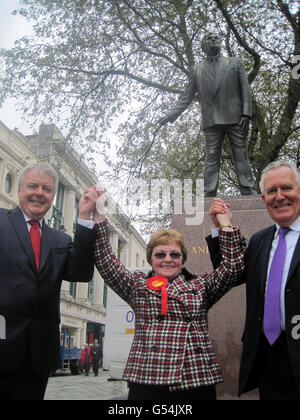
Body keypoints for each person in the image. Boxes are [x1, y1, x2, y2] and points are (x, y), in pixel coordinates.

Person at [92, 188, 245, 400]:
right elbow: (106, 262)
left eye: (175, 254)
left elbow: (233, 268)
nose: (168, 259)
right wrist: (99, 217)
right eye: (160, 254)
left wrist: (224, 225)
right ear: (150, 259)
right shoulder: (137, 286)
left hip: (194, 379)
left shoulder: (201, 285)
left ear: (182, 259)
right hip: (148, 379)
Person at [0, 163, 98, 400]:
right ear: (20, 189)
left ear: (53, 196)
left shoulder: (60, 240)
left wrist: (84, 218)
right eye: (33, 186)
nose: (39, 193)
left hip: (38, 357)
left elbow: (82, 273)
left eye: (47, 189)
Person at [206, 160, 300, 400]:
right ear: (263, 199)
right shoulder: (260, 241)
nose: (279, 197)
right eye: (271, 191)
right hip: (266, 356)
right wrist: (222, 227)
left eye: (286, 188)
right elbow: (230, 274)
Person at [157, 32, 256, 197]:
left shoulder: (235, 62)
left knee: (241, 155)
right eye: (209, 38)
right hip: (211, 120)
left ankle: (248, 189)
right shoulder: (197, 69)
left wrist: (247, 113)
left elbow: (245, 89)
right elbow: (187, 96)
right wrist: (170, 115)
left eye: (216, 38)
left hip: (235, 117)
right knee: (211, 158)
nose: (214, 40)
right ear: (203, 45)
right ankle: (208, 192)